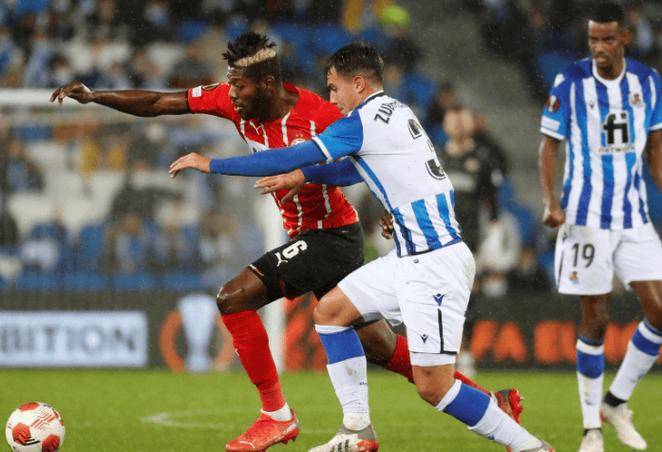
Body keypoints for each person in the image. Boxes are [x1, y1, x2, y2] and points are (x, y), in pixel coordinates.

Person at [50, 32, 519, 451]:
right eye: (231, 84)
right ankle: (488, 404)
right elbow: (159, 102)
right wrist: (95, 96)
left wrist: (288, 172)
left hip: (331, 234)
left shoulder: (320, 114)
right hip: (309, 235)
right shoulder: (231, 101)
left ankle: (277, 416)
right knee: (377, 344)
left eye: (241, 86)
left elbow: (361, 164)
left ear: (268, 83)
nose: (232, 93)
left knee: (234, 297)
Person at [169, 42, 552, 452]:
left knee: (434, 387)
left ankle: (530, 447)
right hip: (408, 256)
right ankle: (357, 429)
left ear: (357, 83)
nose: (331, 98)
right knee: (331, 311)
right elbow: (355, 168)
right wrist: (306, 176)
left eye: (334, 88)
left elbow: (288, 156)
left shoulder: (362, 122)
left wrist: (212, 164)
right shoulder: (397, 111)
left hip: (433, 262)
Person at [538, 3, 662, 452]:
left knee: (660, 312)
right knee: (597, 320)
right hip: (585, 219)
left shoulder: (648, 82)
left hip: (634, 216)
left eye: (608, 39)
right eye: (593, 39)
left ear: (625, 37)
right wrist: (551, 201)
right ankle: (591, 428)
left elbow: (656, 150)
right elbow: (549, 146)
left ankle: (615, 402)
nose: (599, 47)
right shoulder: (570, 81)